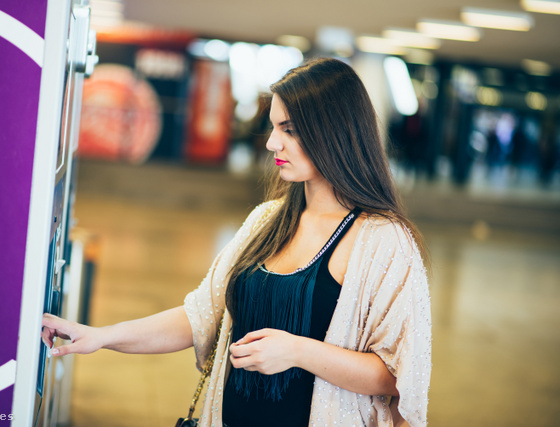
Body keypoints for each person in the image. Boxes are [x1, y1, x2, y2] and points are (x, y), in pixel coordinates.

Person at [42, 57, 432, 426]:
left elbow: (397, 374)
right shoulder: (267, 221)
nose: (271, 144)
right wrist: (100, 336)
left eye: (289, 130)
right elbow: (200, 316)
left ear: (333, 133)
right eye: (274, 127)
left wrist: (298, 351)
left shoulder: (383, 241)